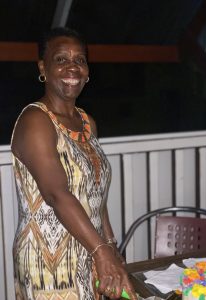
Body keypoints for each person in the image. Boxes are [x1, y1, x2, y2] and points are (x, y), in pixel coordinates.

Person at [11, 27, 137, 300]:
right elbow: (57, 194)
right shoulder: (35, 120)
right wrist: (102, 252)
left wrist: (110, 245)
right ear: (43, 67)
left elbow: (95, 193)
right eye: (61, 59)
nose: (73, 67)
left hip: (90, 248)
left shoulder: (87, 122)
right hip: (49, 260)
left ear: (88, 71)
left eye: (80, 60)